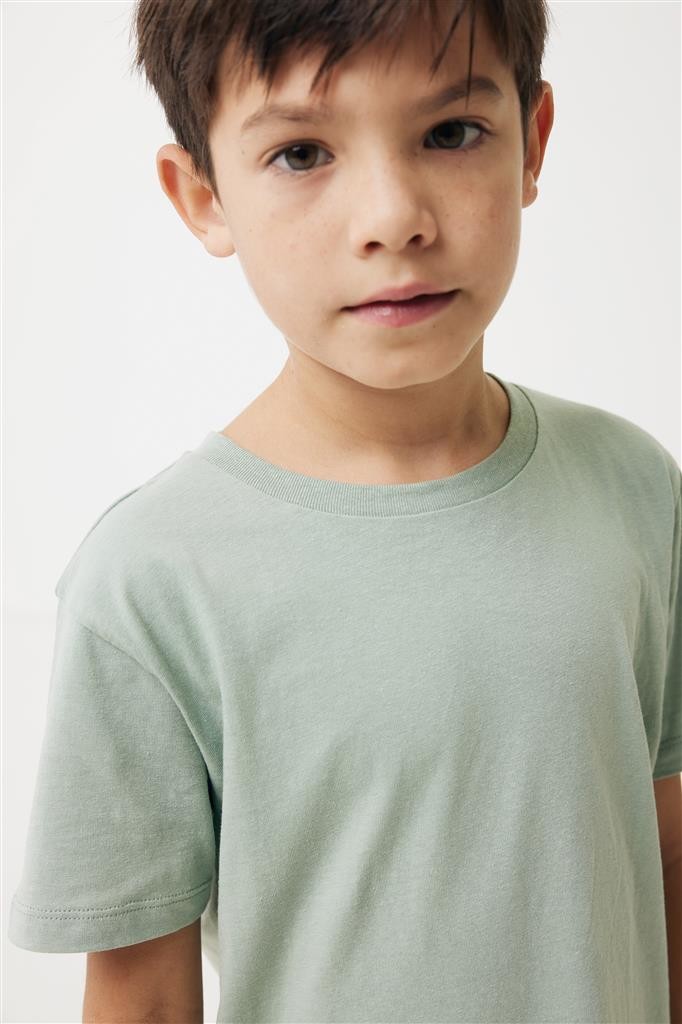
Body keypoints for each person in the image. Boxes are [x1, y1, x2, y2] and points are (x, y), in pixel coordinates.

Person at [8, 1, 681, 1021]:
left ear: (533, 142)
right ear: (202, 197)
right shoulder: (149, 580)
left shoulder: (633, 490)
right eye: (301, 153)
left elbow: (665, 860)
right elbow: (142, 1000)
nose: (393, 218)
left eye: (450, 132)